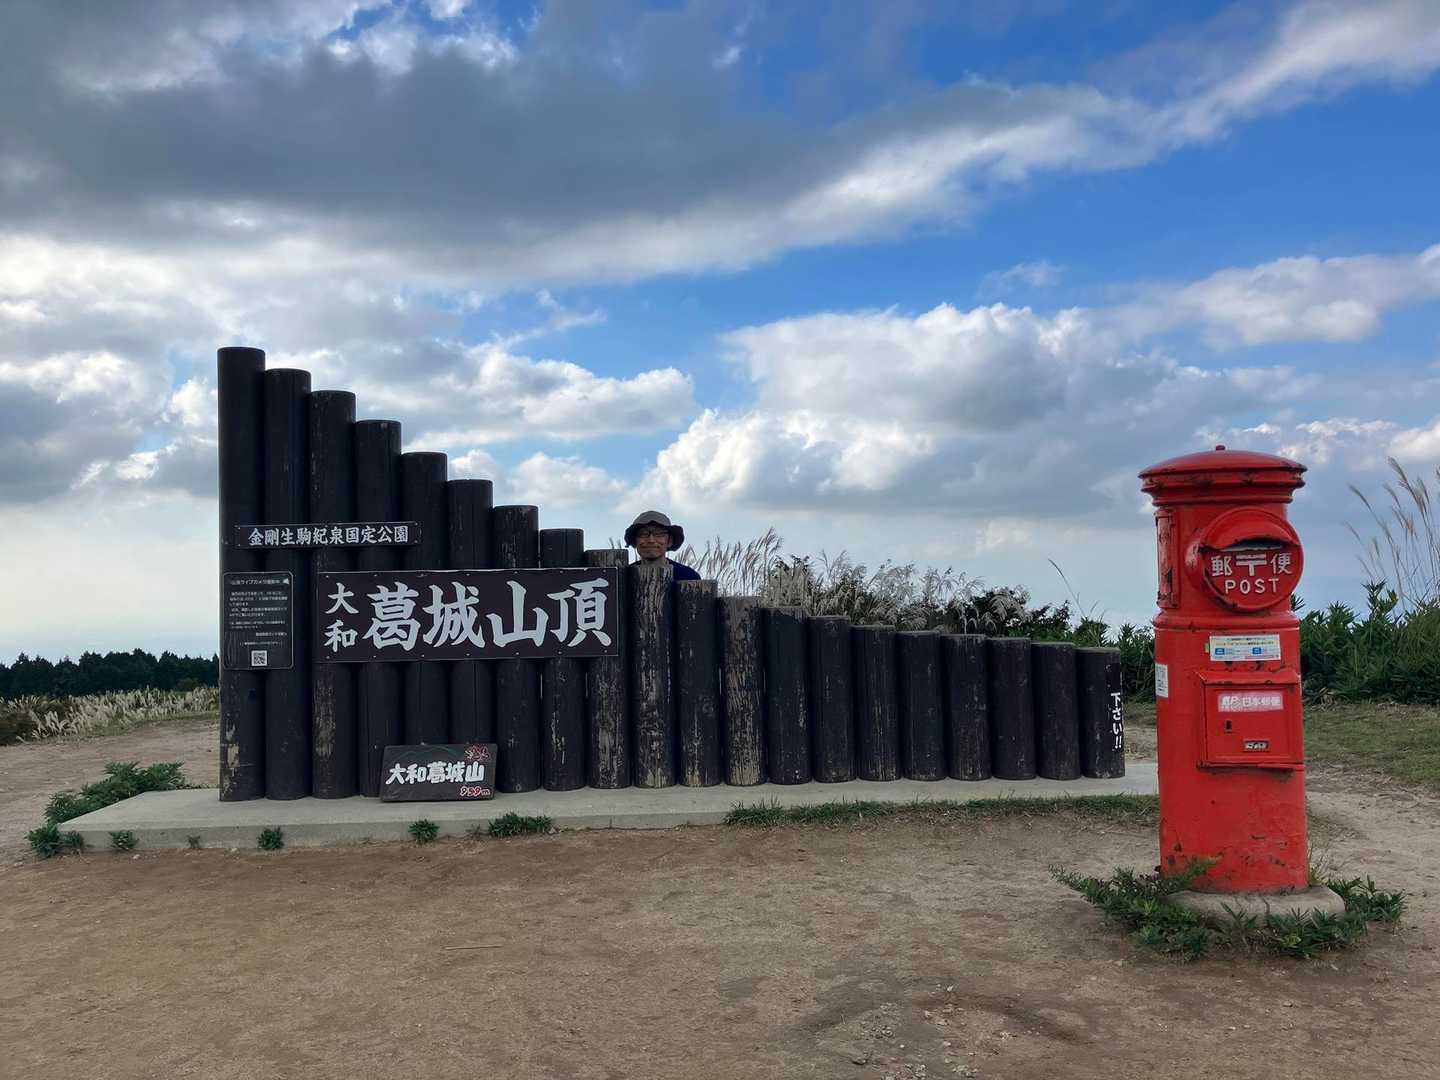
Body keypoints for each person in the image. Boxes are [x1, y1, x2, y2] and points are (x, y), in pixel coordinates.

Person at [624, 510, 700, 580]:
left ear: (670, 541)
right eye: (643, 534)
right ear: (634, 541)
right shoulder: (624, 577)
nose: (651, 540)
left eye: (659, 533)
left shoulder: (688, 576)